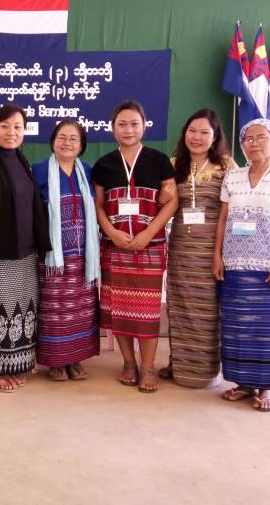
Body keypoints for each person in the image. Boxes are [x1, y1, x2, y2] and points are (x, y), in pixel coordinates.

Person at [213, 118, 270, 412]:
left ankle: (267, 386)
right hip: (234, 264)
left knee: (269, 327)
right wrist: (217, 255)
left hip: (269, 267)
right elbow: (224, 220)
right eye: (248, 139)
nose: (253, 143)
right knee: (237, 326)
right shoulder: (233, 177)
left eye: (261, 137)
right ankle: (242, 383)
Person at [92, 100, 178, 393]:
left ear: (144, 126)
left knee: (148, 311)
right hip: (115, 247)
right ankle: (128, 363)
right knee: (120, 307)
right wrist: (112, 232)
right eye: (122, 124)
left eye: (134, 124)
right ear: (112, 127)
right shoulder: (103, 164)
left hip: (150, 246)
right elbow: (99, 206)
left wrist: (149, 233)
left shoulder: (159, 160)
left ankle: (149, 367)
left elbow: (172, 202)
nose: (128, 129)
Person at [0, 104, 51, 393]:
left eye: (17, 127)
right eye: (4, 126)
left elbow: (33, 207)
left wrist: (42, 246)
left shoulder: (22, 161)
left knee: (21, 311)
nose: (11, 132)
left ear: (24, 131)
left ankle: (16, 364)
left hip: (24, 255)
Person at [161, 109, 236, 388]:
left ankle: (206, 370)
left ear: (215, 136)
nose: (197, 137)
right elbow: (163, 204)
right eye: (192, 131)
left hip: (212, 251)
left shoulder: (227, 166)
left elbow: (232, 210)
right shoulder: (173, 164)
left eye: (205, 132)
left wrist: (221, 252)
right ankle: (179, 364)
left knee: (207, 311)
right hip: (181, 249)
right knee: (180, 308)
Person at [31, 120, 100, 381]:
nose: (67, 142)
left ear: (81, 145)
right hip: (53, 256)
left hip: (84, 254)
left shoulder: (87, 170)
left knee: (80, 310)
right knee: (54, 311)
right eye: (62, 137)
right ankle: (56, 363)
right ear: (53, 141)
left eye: (73, 138)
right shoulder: (39, 170)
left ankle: (76, 359)